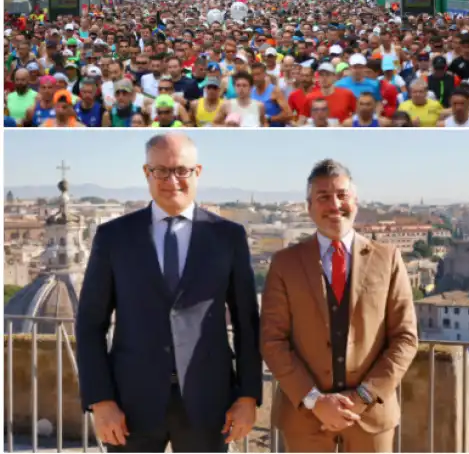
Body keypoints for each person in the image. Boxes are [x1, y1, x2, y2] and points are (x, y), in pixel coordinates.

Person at [75, 133, 262, 452]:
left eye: (181, 170)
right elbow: (91, 324)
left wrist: (247, 396)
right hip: (129, 405)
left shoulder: (228, 237)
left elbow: (247, 322)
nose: (171, 179)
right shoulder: (113, 236)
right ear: (146, 173)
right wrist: (100, 399)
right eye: (160, 170)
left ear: (197, 172)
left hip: (209, 401)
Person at [260, 159, 418, 452]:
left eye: (342, 195)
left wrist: (362, 398)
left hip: (371, 416)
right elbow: (272, 341)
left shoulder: (388, 258)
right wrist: (315, 401)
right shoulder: (285, 263)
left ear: (355, 202)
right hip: (306, 418)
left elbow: (405, 339)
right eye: (323, 197)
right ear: (309, 208)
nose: (335, 205)